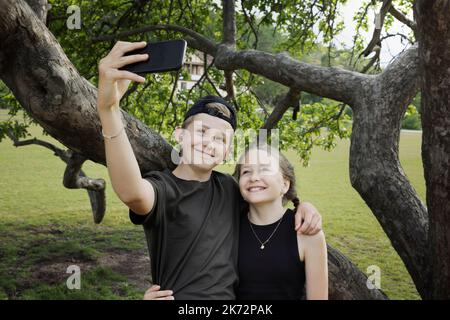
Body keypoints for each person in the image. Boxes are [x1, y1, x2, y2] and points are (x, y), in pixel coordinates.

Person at [97, 40, 323, 300]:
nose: (209, 142)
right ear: (180, 135)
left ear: (227, 152)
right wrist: (108, 110)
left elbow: (266, 194)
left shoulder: (229, 188)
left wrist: (302, 205)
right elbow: (131, 192)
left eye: (221, 139)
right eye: (202, 131)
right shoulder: (164, 189)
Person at [146, 145, 328, 300]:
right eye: (246, 171)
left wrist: (305, 205)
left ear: (285, 184)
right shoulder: (227, 223)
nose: (254, 177)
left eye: (265, 169)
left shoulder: (307, 234)